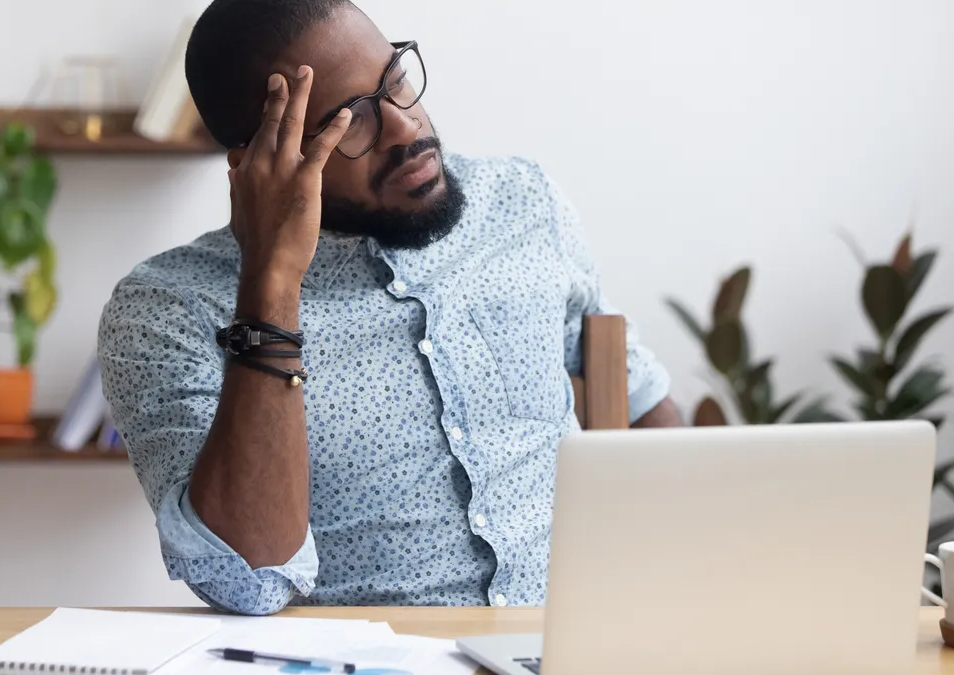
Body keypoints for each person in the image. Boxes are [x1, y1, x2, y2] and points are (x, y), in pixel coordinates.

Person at [98, 0, 684, 616]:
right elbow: (249, 584)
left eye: (395, 78)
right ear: (257, 166)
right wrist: (272, 282)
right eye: (347, 122)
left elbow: (638, 398)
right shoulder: (167, 310)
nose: (404, 127)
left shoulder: (523, 202)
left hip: (572, 646)